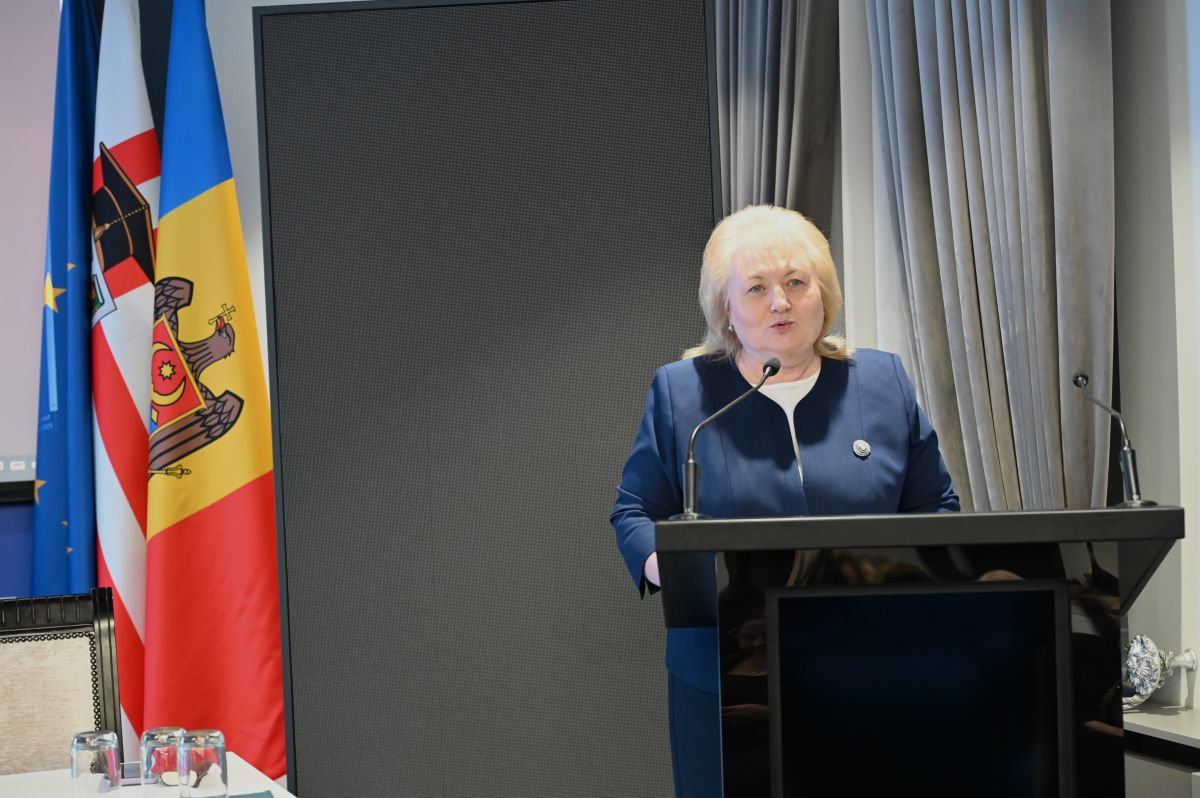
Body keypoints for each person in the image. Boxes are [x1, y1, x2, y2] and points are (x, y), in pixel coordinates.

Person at [610, 204, 960, 798]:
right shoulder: (683, 393)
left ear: (824, 294)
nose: (781, 302)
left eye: (797, 282)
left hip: (871, 663)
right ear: (725, 306)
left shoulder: (882, 382)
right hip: (727, 672)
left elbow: (936, 508)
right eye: (757, 287)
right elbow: (634, 510)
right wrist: (679, 571)